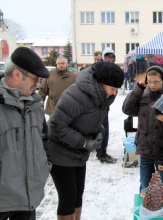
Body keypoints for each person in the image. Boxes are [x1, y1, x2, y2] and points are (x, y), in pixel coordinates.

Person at [46, 61, 124, 220]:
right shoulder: (77, 94)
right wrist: (84, 142)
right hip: (59, 151)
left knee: (77, 194)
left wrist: (99, 133)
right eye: (113, 89)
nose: (115, 93)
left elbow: (97, 119)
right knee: (68, 196)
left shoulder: (103, 95)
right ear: (101, 83)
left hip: (78, 153)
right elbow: (56, 124)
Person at [0, 47, 50, 220]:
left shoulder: (34, 103)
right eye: (35, 79)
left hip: (28, 199)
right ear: (17, 75)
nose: (38, 84)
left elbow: (44, 139)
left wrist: (44, 167)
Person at [122, 66, 163, 193]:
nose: (152, 85)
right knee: (144, 187)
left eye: (156, 82)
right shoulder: (142, 97)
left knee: (161, 188)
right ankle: (145, 211)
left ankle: (161, 211)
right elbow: (127, 109)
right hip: (145, 148)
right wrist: (138, 89)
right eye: (150, 81)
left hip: (162, 151)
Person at [95, 48, 118, 163]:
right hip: (97, 104)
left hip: (105, 104)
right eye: (108, 56)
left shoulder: (113, 70)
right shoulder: (99, 69)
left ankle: (102, 152)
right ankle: (101, 153)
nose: (110, 59)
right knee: (101, 129)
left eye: (112, 57)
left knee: (104, 129)